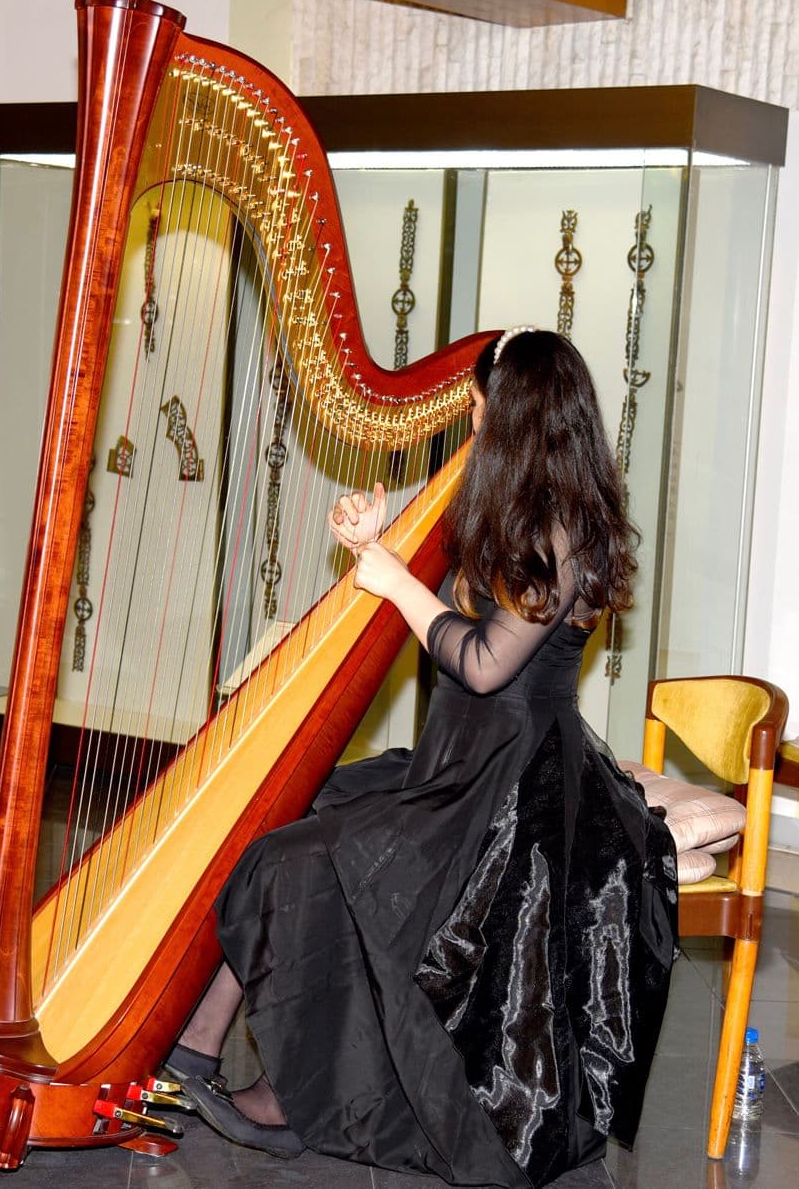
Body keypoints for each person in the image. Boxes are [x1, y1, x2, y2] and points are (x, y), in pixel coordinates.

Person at [161, 327, 678, 1188]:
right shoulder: (518, 498)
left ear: (510, 411)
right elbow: (461, 613)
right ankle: (197, 1045)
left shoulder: (565, 528)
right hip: (458, 759)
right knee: (297, 813)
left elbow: (482, 662)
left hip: (513, 787)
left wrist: (388, 573)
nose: (469, 413)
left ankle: (293, 1101)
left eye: (478, 401)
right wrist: (377, 541)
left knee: (316, 861)